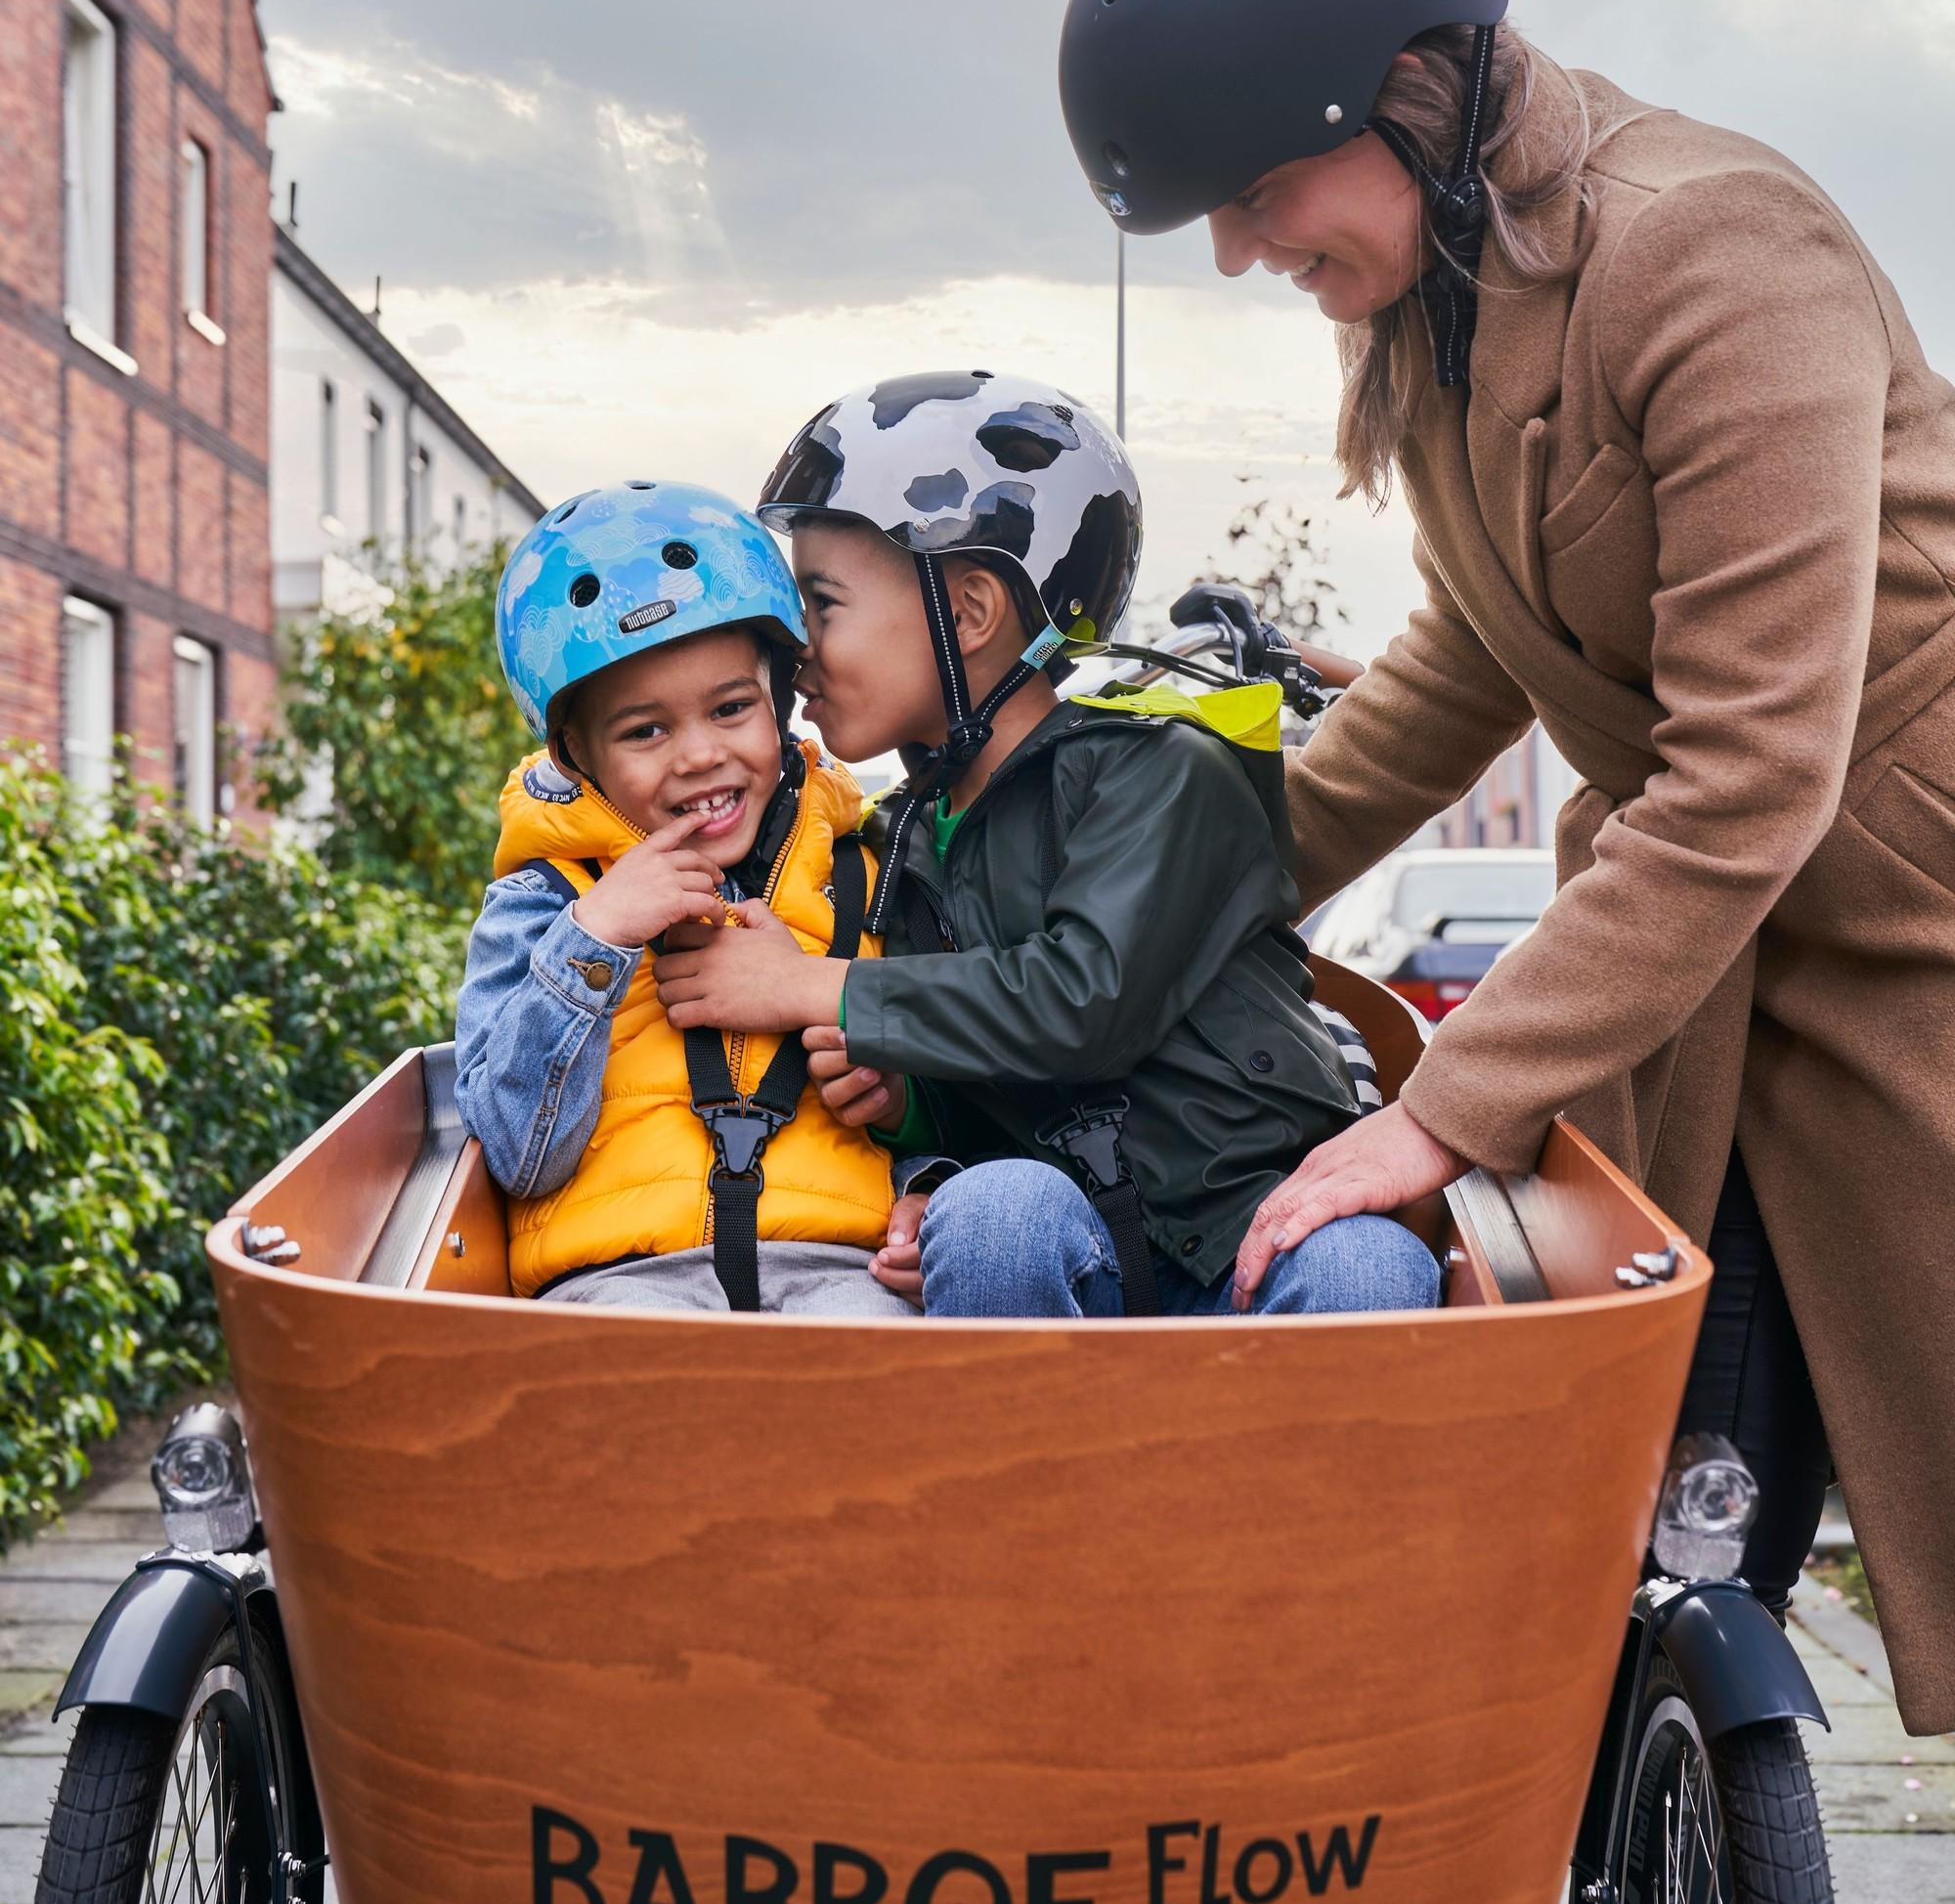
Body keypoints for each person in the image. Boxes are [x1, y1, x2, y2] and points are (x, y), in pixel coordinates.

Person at [1057, 0, 1955, 1733]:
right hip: (1688, 982)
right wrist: (1139, 919)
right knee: (1654, 1545)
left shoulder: (1719, 257)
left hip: (1900, 939)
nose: (1230, 249)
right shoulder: (1444, 307)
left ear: (1392, 96)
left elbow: (1745, 773)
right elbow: (1476, 649)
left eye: (1245, 185)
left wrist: (1435, 1109)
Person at [653, 371, 1442, 1325]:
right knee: (987, 1212)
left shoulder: (1160, 768)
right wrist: (905, 1107)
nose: (795, 651)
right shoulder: (892, 838)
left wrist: (804, 987)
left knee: (1370, 1269)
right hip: (1069, 1249)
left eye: (821, 605)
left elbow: (1085, 1001)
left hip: (1258, 1225)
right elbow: (969, 1090)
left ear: (971, 612)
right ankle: (1025, 1473)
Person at [453, 480, 912, 1320]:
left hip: (841, 1277)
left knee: (889, 1408)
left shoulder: (867, 878)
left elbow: (948, 1112)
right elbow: (519, 1156)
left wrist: (899, 1105)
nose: (700, 755)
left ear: (779, 703)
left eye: (732, 708)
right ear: (574, 752)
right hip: (618, 1288)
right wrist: (595, 935)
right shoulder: (542, 904)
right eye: (645, 731)